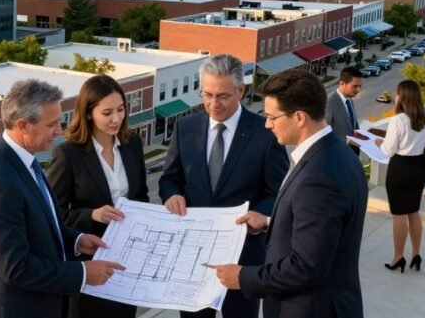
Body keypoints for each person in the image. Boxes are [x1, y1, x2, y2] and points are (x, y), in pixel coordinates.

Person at [211, 68, 368, 318]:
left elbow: (306, 267)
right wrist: (270, 223)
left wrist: (242, 276)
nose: (267, 124)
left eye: (273, 117)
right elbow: (323, 231)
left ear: (299, 117)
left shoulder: (318, 177)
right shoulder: (339, 153)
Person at [0, 79, 125, 318]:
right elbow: (16, 267)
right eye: (52, 124)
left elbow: (42, 224)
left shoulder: (24, 160)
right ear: (23, 125)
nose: (60, 131)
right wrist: (83, 273)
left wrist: (76, 239)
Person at [158, 54, 289, 318]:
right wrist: (171, 195)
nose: (213, 104)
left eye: (223, 96)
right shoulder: (185, 127)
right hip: (194, 257)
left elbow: (279, 192)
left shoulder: (266, 132)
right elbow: (169, 178)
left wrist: (261, 215)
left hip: (243, 258)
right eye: (207, 94)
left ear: (241, 90)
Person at [48, 75, 149, 318]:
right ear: (88, 112)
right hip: (90, 261)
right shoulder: (67, 154)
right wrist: (93, 214)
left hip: (127, 260)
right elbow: (53, 215)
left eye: (121, 110)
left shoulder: (132, 144)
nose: (117, 118)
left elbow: (142, 196)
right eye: (107, 113)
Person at [375, 79, 425, 273]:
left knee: (399, 214)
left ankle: (398, 257)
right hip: (418, 168)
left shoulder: (397, 120)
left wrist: (377, 144)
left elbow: (388, 150)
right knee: (413, 211)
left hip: (400, 168)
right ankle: (416, 253)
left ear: (401, 96)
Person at [327, 66, 363, 145]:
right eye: (355, 86)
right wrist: (348, 141)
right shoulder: (329, 102)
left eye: (360, 86)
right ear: (342, 83)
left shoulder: (349, 99)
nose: (358, 90)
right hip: (339, 152)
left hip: (353, 150)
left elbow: (352, 122)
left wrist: (358, 133)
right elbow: (325, 132)